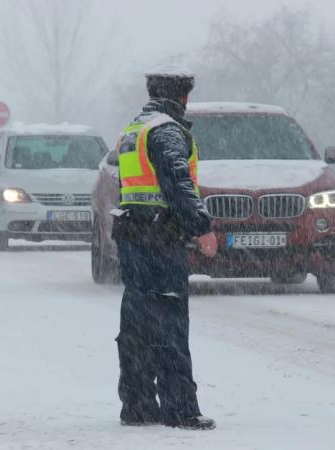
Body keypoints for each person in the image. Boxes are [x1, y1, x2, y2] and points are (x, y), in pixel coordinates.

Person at [111, 66, 218, 430]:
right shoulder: (167, 131)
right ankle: (179, 408)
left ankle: (138, 406)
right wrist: (201, 227)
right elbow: (177, 181)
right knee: (170, 323)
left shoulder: (133, 130)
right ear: (183, 97)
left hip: (133, 236)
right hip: (160, 238)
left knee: (138, 325)